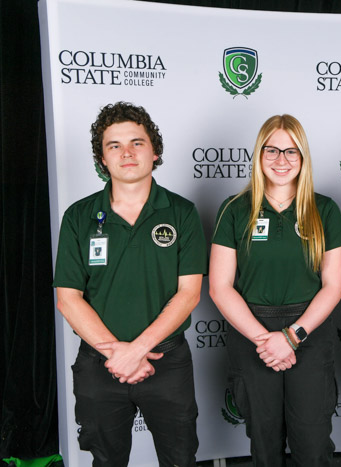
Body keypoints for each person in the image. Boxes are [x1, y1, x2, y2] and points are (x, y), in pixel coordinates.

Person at [53, 102, 207, 466]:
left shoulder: (182, 212)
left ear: (155, 151)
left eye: (137, 143)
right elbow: (68, 299)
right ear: (102, 158)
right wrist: (117, 354)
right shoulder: (78, 216)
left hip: (166, 363)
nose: (126, 153)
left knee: (180, 459)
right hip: (99, 365)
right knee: (106, 461)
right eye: (114, 145)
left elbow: (189, 294)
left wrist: (137, 350)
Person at [209, 114, 341, 466]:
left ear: (303, 158)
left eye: (291, 152)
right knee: (265, 446)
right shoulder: (234, 210)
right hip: (252, 334)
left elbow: (333, 286)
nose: (281, 161)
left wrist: (291, 336)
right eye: (272, 150)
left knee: (312, 445)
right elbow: (220, 287)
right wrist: (264, 339)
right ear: (259, 154)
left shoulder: (324, 210)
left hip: (309, 333)